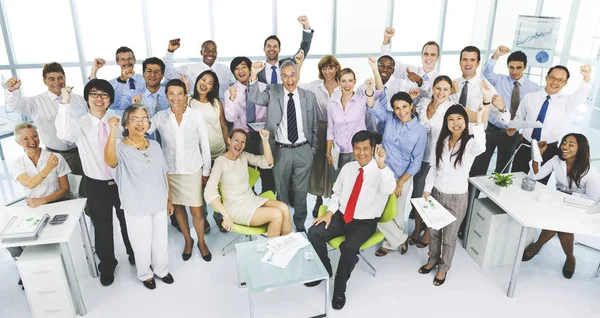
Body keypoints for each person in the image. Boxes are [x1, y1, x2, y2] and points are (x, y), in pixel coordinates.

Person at [55, 79, 134, 286]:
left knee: (128, 221)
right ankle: (107, 264)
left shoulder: (116, 120)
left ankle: (135, 255)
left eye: (104, 95)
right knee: (102, 226)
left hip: (121, 182)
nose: (99, 99)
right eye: (94, 94)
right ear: (88, 99)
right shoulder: (79, 124)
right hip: (96, 184)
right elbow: (63, 134)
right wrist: (65, 101)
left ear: (110, 100)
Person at [305, 131, 396, 310]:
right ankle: (325, 269)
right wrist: (330, 212)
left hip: (365, 222)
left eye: (366, 149)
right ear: (353, 149)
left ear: (373, 149)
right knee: (314, 232)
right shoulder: (348, 168)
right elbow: (337, 193)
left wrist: (381, 164)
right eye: (357, 148)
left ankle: (339, 289)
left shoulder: (381, 171)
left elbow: (389, 188)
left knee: (348, 249)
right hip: (342, 215)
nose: (361, 153)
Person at [104, 105, 175, 290]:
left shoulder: (155, 145)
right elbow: (109, 161)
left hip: (158, 200)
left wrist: (169, 198)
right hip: (136, 204)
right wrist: (112, 130)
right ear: (126, 123)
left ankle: (161, 269)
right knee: (141, 242)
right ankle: (145, 273)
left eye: (144, 118)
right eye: (134, 119)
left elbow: (164, 172)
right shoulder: (120, 148)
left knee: (160, 239)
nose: (140, 123)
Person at [419, 102, 488, 287]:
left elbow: (482, 146)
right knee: (433, 233)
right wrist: (427, 189)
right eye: (451, 119)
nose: (455, 123)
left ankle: (443, 268)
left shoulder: (471, 143)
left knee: (449, 238)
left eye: (459, 119)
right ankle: (432, 259)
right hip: (436, 194)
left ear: (465, 122)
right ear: (446, 122)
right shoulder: (440, 142)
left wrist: (479, 119)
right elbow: (434, 168)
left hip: (457, 198)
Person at [248, 60, 318, 232]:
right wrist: (253, 76)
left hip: (303, 150)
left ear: (298, 75)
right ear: (281, 77)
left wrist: (312, 150)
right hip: (280, 150)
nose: (289, 79)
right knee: (282, 190)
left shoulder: (308, 97)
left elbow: (314, 126)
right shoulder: (273, 92)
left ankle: (300, 225)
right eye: (285, 76)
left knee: (301, 192)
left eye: (292, 75)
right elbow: (255, 97)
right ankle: (284, 225)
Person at [147, 79, 212, 262]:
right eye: (171, 94)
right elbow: (145, 128)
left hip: (193, 170)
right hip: (172, 172)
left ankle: (201, 241)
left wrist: (206, 170)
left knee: (197, 212)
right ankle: (187, 240)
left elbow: (204, 144)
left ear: (185, 95)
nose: (175, 98)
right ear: (166, 95)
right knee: (178, 209)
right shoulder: (160, 116)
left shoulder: (196, 115)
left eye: (179, 94)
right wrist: (140, 110)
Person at [522, 133, 599, 279]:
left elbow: (593, 199)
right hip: (558, 203)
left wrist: (567, 197)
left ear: (581, 148)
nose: (564, 146)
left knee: (561, 226)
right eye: (564, 143)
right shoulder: (556, 160)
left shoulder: (590, 171)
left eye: (571, 144)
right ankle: (570, 258)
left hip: (578, 206)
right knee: (560, 223)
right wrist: (538, 155)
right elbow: (535, 176)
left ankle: (538, 246)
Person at [366, 91, 426, 256]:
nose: (401, 111)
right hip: (380, 170)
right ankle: (401, 238)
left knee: (397, 212)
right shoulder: (390, 120)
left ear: (411, 106)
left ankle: (389, 243)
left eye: (405, 106)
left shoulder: (420, 131)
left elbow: (416, 162)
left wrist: (400, 183)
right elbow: (372, 108)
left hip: (402, 175)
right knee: (372, 208)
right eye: (397, 108)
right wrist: (370, 91)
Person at [511, 65, 592, 184]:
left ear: (565, 83)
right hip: (526, 145)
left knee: (539, 183)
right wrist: (515, 130)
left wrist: (586, 77)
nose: (555, 82)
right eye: (553, 78)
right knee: (515, 178)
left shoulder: (566, 102)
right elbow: (519, 118)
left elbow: (580, 95)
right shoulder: (530, 97)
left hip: (548, 148)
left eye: (560, 80)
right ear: (546, 77)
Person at [205, 129, 292, 237]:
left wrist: (265, 140)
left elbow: (268, 162)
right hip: (235, 207)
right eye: (236, 140)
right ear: (229, 140)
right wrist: (226, 215)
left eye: (243, 142)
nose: (239, 145)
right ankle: (276, 251)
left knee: (284, 207)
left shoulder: (244, 156)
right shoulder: (220, 162)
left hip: (250, 199)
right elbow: (209, 192)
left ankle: (287, 247)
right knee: (276, 214)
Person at [5, 62, 87, 175]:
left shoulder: (79, 99)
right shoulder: (36, 102)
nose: (57, 82)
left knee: (89, 186)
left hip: (83, 152)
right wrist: (12, 91)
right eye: (51, 79)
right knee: (65, 189)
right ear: (45, 82)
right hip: (56, 156)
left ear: (65, 78)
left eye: (60, 78)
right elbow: (17, 105)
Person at [471, 46, 539, 176]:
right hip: (491, 130)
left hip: (512, 134)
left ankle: (494, 195)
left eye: (518, 68)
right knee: (479, 165)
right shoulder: (499, 80)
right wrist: (496, 55)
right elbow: (487, 71)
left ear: (525, 67)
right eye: (511, 67)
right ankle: (472, 195)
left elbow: (532, 111)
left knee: (502, 170)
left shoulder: (533, 87)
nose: (514, 71)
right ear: (507, 66)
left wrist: (523, 130)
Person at [409, 75, 455, 249]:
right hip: (420, 157)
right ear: (433, 88)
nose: (441, 92)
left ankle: (428, 232)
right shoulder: (423, 104)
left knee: (430, 198)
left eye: (445, 89)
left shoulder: (451, 109)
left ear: (450, 91)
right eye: (438, 88)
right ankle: (417, 228)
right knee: (417, 196)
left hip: (438, 159)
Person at [326, 57, 384, 184]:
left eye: (350, 81)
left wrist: (374, 69)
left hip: (358, 152)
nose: (347, 85)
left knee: (356, 187)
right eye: (344, 81)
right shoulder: (332, 104)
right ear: (338, 82)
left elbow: (380, 91)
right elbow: (330, 129)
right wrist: (328, 152)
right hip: (338, 153)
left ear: (355, 82)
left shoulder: (362, 99)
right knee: (337, 187)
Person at [297, 55, 342, 217]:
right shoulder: (316, 86)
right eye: (324, 68)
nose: (327, 71)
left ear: (336, 68)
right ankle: (318, 199)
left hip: (339, 130)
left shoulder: (342, 85)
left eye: (331, 67)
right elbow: (297, 85)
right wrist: (299, 65)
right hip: (320, 128)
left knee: (334, 166)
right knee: (318, 165)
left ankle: (333, 202)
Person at [186, 70, 229, 232]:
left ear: (212, 88)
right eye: (203, 79)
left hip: (218, 153)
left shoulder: (216, 103)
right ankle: (202, 218)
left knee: (219, 189)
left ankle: (219, 216)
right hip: (198, 156)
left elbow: (223, 126)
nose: (204, 84)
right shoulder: (188, 101)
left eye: (209, 83)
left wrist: (228, 148)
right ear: (197, 80)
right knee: (199, 190)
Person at [224, 57, 274, 194]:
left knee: (267, 172)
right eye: (236, 68)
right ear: (233, 73)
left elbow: (272, 112)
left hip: (262, 135)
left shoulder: (264, 88)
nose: (241, 70)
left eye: (244, 66)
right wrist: (232, 99)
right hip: (243, 137)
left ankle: (268, 202)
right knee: (246, 174)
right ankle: (250, 204)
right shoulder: (230, 92)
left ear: (250, 68)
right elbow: (230, 117)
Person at [356, 55, 429, 134]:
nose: (385, 70)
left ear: (393, 70)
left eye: (389, 67)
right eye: (382, 66)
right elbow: (357, 114)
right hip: (370, 135)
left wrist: (420, 82)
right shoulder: (363, 88)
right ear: (376, 67)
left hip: (394, 136)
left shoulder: (402, 85)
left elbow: (424, 98)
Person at [10, 122, 71, 207]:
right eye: (25, 139)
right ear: (18, 142)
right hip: (33, 205)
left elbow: (65, 189)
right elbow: (29, 184)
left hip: (58, 202)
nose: (32, 141)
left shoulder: (56, 157)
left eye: (34, 136)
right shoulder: (17, 164)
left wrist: (43, 200)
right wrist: (48, 168)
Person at [163, 39, 235, 102]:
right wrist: (170, 51)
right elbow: (169, 74)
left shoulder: (225, 69)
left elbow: (235, 85)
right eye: (207, 50)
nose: (210, 53)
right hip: (198, 110)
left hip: (223, 111)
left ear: (216, 53)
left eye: (214, 51)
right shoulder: (189, 69)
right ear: (201, 52)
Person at [381, 27, 440, 100]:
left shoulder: (440, 80)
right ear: (421, 55)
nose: (428, 57)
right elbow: (388, 62)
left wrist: (420, 81)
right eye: (426, 54)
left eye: (433, 55)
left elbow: (433, 97)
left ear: (438, 57)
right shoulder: (410, 70)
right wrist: (386, 39)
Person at [120, 57, 170, 141]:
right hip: (144, 145)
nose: (152, 75)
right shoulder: (135, 97)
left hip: (170, 145)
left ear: (162, 75)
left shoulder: (171, 95)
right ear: (143, 74)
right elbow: (126, 122)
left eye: (157, 72)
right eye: (149, 71)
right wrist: (135, 107)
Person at [257, 16, 314, 84]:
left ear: (279, 50)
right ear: (264, 49)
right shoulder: (258, 70)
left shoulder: (288, 63)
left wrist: (306, 27)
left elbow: (303, 49)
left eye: (275, 46)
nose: (272, 49)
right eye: (269, 46)